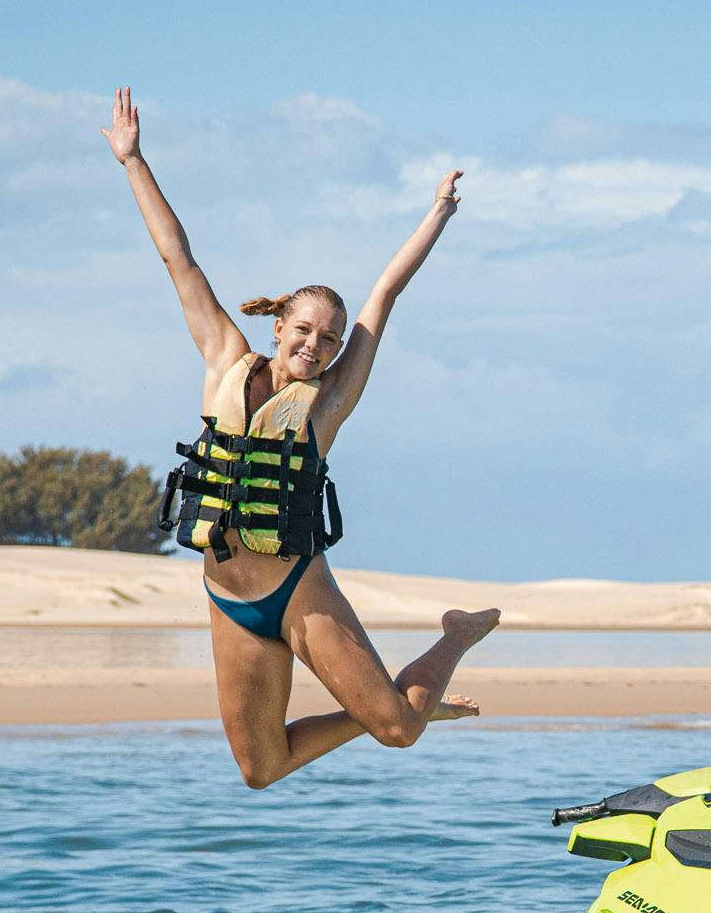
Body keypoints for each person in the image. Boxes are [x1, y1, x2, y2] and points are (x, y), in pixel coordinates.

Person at [103, 86, 499, 788]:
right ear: (278, 325)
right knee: (261, 768)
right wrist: (134, 160)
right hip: (227, 598)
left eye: (330, 339)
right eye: (305, 330)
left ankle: (455, 636)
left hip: (296, 591)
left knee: (399, 729)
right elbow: (179, 260)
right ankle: (376, 704)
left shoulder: (328, 405)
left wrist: (437, 213)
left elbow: (384, 294)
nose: (315, 347)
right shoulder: (225, 355)